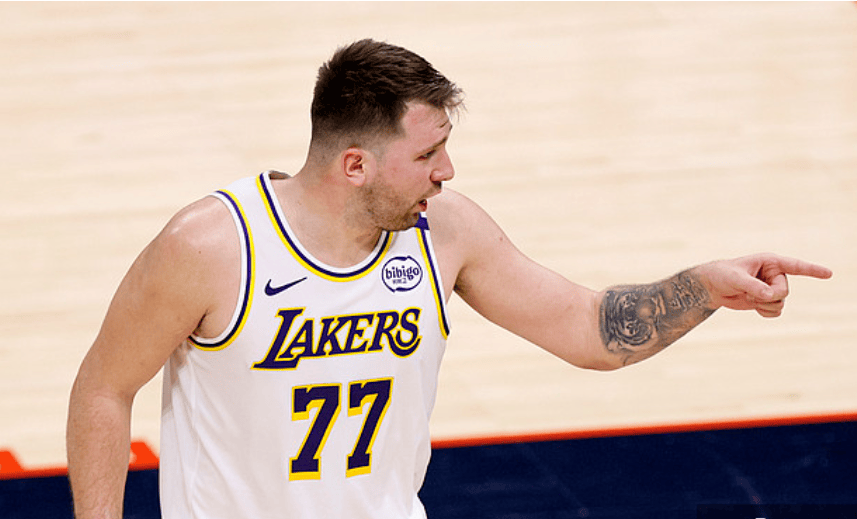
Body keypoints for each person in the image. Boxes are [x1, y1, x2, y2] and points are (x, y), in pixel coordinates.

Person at [66, 39, 832, 519]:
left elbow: (587, 327)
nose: (448, 170)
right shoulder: (211, 246)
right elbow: (103, 387)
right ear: (355, 164)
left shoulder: (446, 231)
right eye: (428, 154)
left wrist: (703, 287)